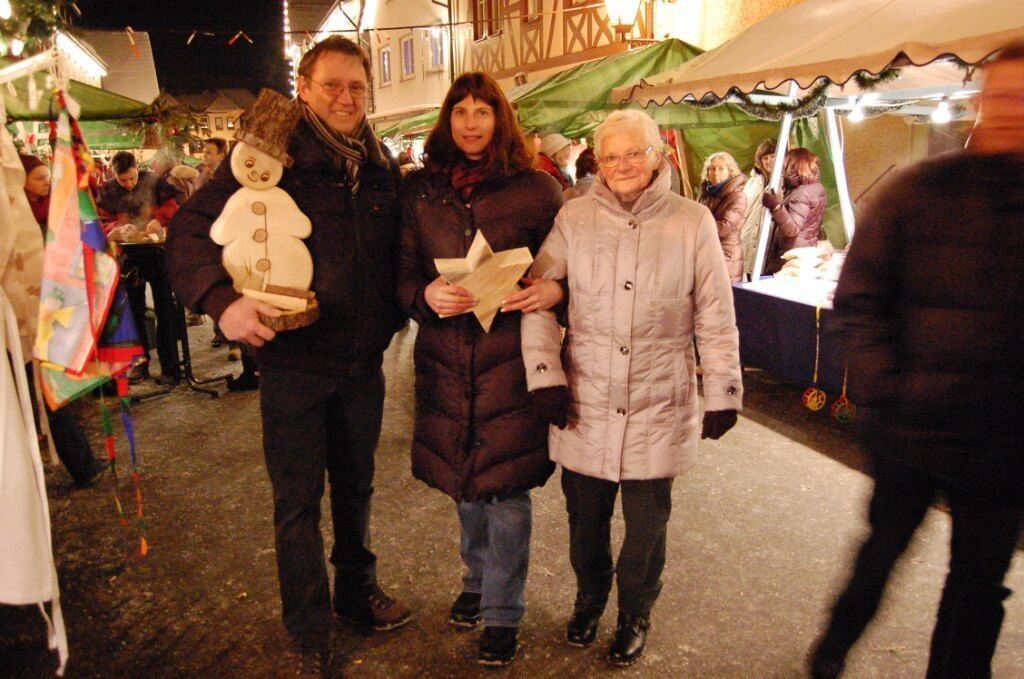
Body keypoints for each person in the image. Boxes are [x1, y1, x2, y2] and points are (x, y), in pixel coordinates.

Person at [167, 35, 409, 676]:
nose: (345, 97)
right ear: (304, 88)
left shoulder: (379, 163)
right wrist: (221, 303)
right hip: (295, 362)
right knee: (298, 500)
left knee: (356, 485)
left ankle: (355, 592)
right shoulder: (268, 154)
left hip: (363, 360)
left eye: (356, 86)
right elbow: (189, 232)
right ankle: (308, 628)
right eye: (331, 84)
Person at [809, 41, 1024, 679]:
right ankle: (830, 654)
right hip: (912, 425)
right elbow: (861, 294)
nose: (1013, 110)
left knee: (981, 586)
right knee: (881, 555)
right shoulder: (920, 190)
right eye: (1004, 95)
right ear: (983, 100)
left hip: (1005, 440)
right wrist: (885, 388)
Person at [520, 109, 744, 667]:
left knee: (647, 526)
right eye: (610, 155)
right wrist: (545, 375)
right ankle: (590, 597)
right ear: (597, 160)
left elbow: (715, 314)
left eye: (633, 153)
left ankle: (635, 611)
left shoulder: (692, 222)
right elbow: (536, 293)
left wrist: (722, 390)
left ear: (657, 157)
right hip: (585, 397)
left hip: (658, 397)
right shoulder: (574, 218)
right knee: (584, 521)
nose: (621, 165)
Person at [396, 71, 565, 668]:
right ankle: (476, 581)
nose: (471, 122)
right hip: (445, 361)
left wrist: (551, 291)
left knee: (507, 489)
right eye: (460, 111)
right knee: (465, 486)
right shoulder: (419, 191)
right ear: (447, 119)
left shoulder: (539, 189)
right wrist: (423, 297)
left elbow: (567, 271)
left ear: (501, 119)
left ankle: (503, 611)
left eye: (483, 111)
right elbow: (402, 274)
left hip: (512, 360)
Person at [19, 154, 108, 489]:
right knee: (48, 393)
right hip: (29, 321)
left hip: (45, 314)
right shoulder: (23, 220)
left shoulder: (41, 212)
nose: (46, 182)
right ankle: (81, 465)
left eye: (47, 176)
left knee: (54, 392)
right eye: (40, 177)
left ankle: (81, 462)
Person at [97, 151, 184, 384]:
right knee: (134, 311)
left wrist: (159, 218)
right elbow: (101, 220)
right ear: (113, 174)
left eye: (132, 178)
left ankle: (171, 366)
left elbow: (175, 202)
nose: (128, 184)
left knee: (165, 309)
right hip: (129, 257)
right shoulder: (107, 191)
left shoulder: (154, 181)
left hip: (158, 253)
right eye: (123, 180)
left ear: (138, 169)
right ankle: (140, 364)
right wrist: (115, 228)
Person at [760, 147, 827, 274]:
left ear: (794, 166)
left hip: (790, 254)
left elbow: (793, 229)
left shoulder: (801, 193)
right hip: (806, 248)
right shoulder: (817, 187)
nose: (784, 171)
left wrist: (776, 207)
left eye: (786, 167)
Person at [698, 151, 747, 283]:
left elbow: (723, 228)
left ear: (730, 172)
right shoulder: (705, 194)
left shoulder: (737, 196)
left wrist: (696, 226)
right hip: (706, 254)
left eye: (721, 169)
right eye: (712, 169)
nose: (716, 173)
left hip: (726, 256)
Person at [739, 138, 777, 279]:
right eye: (765, 158)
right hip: (749, 240)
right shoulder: (754, 180)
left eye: (773, 156)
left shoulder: (783, 181)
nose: (768, 161)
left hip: (769, 244)